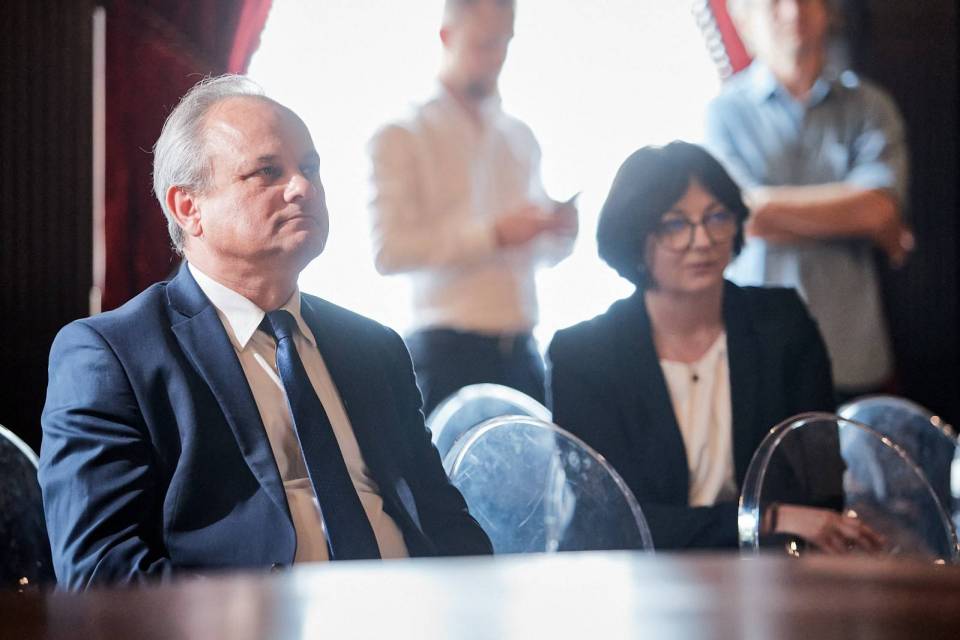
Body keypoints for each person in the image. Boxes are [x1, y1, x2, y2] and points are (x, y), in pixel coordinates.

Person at [39, 75, 492, 590]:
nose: (303, 188)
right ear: (188, 208)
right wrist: (267, 619)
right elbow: (100, 574)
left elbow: (447, 523)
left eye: (310, 168)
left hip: (411, 613)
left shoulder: (374, 348)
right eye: (268, 172)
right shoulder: (113, 355)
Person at [548, 142, 883, 552]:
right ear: (634, 236)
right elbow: (614, 519)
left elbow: (820, 486)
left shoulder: (782, 324)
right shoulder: (584, 355)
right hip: (640, 574)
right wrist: (766, 518)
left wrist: (778, 526)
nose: (702, 240)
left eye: (717, 217)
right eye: (675, 224)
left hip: (768, 568)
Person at [367, 0, 577, 416]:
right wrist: (492, 235)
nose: (496, 57)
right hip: (445, 354)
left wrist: (559, 233)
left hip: (523, 352)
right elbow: (388, 252)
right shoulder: (401, 135)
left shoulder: (520, 136)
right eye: (484, 43)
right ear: (446, 36)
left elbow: (541, 255)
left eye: (504, 42)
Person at [703, 0, 911, 404]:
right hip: (759, 353)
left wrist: (765, 207)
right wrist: (850, 215)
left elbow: (878, 210)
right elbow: (740, 218)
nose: (793, 13)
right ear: (743, 20)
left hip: (852, 351)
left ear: (827, 10)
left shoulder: (870, 106)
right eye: (774, 2)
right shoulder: (724, 113)